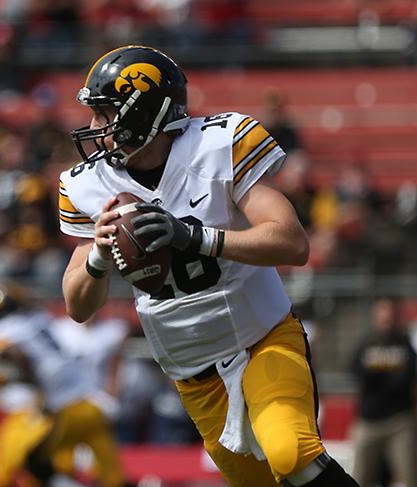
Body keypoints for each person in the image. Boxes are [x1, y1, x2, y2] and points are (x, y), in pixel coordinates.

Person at [58, 45, 359, 487]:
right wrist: (99, 257)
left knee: (291, 452)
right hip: (193, 373)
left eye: (104, 115)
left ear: (145, 115)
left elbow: (293, 243)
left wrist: (193, 236)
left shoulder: (218, 145)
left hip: (263, 337)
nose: (93, 128)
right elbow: (77, 305)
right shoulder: (89, 186)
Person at [0, 283, 127, 487]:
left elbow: (13, 353)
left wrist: (25, 378)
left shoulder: (0, 332)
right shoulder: (39, 319)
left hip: (59, 407)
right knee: (106, 472)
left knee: (31, 462)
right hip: (87, 399)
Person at [350, 298, 417, 487]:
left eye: (389, 315)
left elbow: (406, 378)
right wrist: (388, 374)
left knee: (410, 477)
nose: (385, 319)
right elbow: (357, 372)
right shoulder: (366, 344)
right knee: (358, 478)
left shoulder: (404, 344)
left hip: (400, 422)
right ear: (375, 317)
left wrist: (378, 374)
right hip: (368, 423)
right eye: (382, 315)